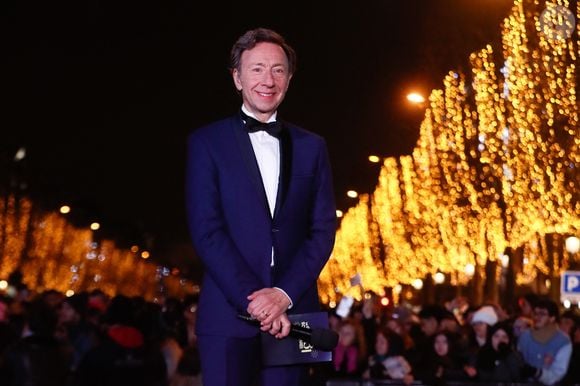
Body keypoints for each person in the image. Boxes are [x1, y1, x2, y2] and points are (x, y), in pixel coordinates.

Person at [185, 27, 337, 386]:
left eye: (278, 69)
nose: (268, 80)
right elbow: (207, 230)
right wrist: (257, 302)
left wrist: (283, 295)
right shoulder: (206, 142)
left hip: (296, 311)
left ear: (289, 78)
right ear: (237, 77)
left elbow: (322, 231)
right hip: (226, 315)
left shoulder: (313, 147)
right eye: (256, 69)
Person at [518, 297, 572, 386]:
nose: (537, 317)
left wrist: (538, 373)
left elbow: (557, 373)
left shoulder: (563, 341)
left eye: (542, 314)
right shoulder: (525, 336)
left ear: (552, 318)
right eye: (535, 313)